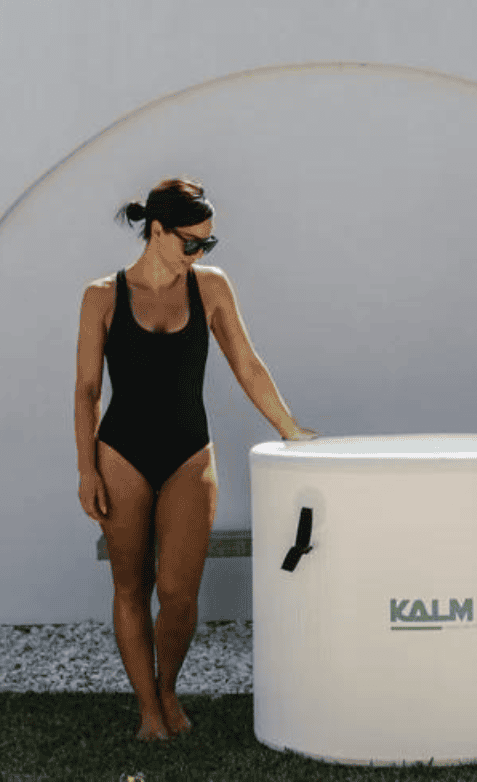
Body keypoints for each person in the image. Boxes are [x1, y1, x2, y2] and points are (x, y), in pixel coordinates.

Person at [74, 178, 318, 742]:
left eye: (208, 244)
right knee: (131, 586)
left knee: (181, 592)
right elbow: (87, 390)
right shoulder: (101, 297)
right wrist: (86, 470)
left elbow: (247, 364)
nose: (199, 254)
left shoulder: (210, 288)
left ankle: (167, 688)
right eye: (190, 243)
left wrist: (290, 430)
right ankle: (148, 711)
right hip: (120, 453)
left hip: (189, 452)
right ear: (155, 231)